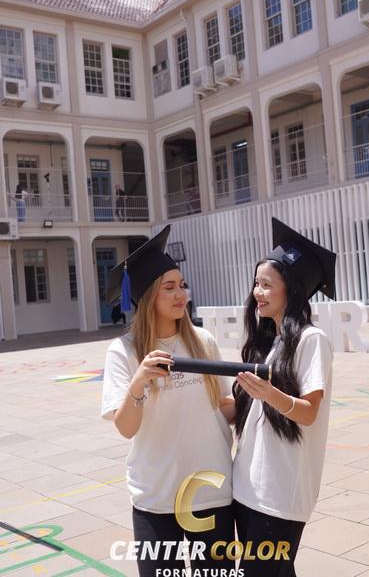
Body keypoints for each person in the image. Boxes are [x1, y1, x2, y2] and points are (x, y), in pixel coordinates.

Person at [101, 225, 234, 577]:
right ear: (148, 297)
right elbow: (126, 428)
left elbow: (223, 406)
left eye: (182, 285)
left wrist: (261, 398)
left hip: (210, 489)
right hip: (155, 495)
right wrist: (139, 380)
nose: (181, 295)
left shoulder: (202, 341)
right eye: (169, 287)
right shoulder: (124, 352)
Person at [232, 217, 336, 577]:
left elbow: (308, 413)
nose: (257, 292)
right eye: (256, 283)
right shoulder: (268, 343)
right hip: (246, 486)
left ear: (290, 291)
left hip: (280, 492)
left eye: (266, 285)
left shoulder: (311, 340)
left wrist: (270, 393)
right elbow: (244, 412)